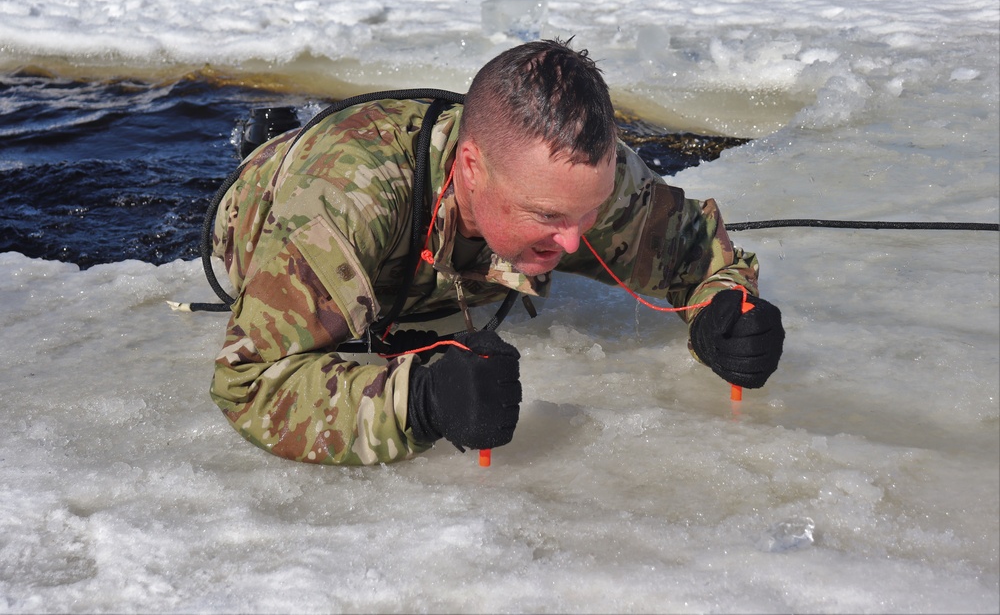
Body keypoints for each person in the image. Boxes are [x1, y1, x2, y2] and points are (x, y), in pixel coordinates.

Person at [209, 38, 785, 466]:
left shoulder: (575, 177)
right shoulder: (344, 199)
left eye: (589, 211)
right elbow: (251, 382)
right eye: (548, 217)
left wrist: (723, 311)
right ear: (471, 169)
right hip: (270, 201)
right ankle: (268, 135)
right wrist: (420, 403)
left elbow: (697, 252)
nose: (576, 240)